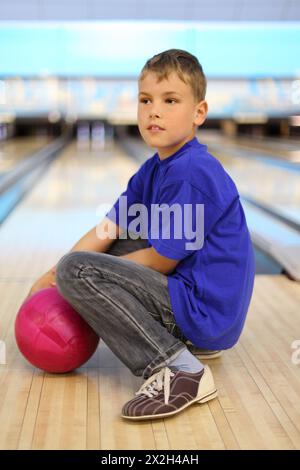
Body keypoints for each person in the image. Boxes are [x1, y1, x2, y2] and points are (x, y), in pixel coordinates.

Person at [27, 49, 255, 421]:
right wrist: (52, 276)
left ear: (199, 112)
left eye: (170, 101)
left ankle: (180, 369)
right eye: (146, 100)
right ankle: (183, 343)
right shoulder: (154, 170)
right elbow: (107, 229)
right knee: (89, 259)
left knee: (80, 270)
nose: (154, 111)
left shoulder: (191, 171)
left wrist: (79, 276)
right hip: (195, 302)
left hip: (205, 313)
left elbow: (161, 260)